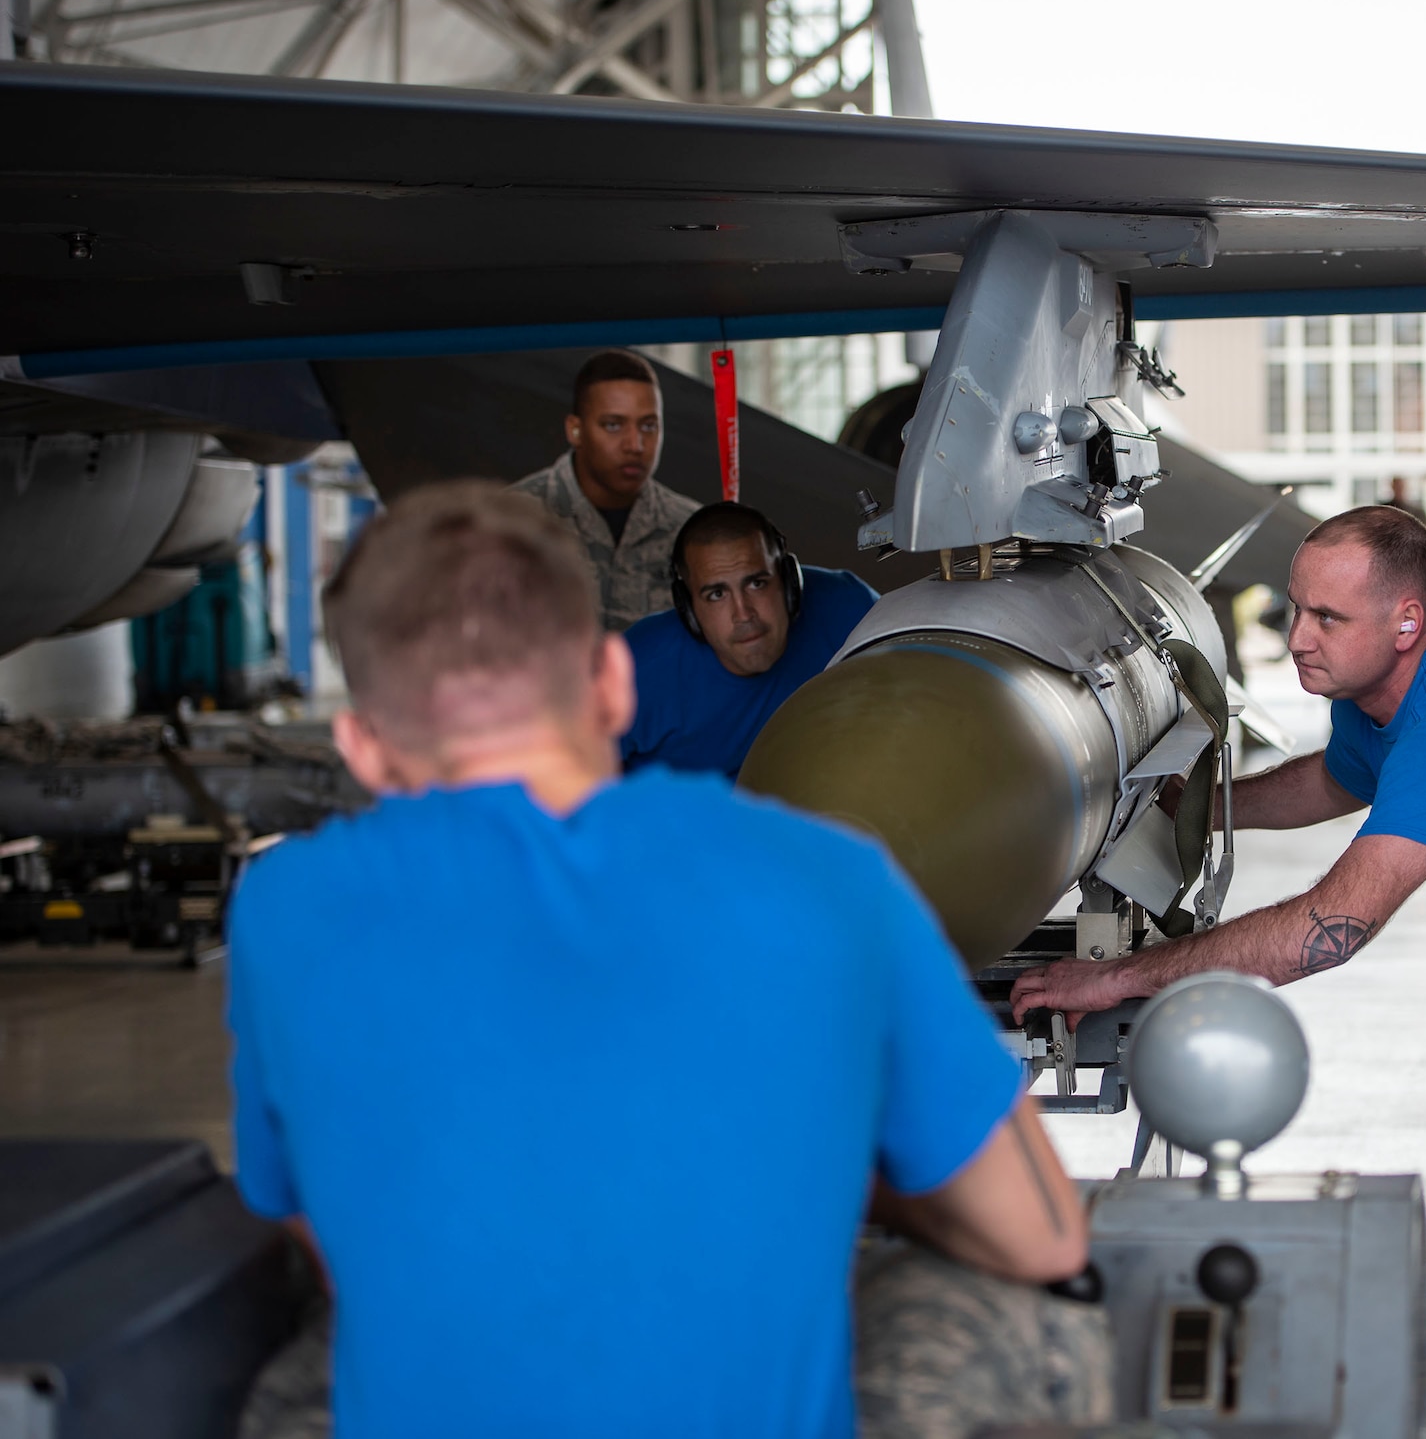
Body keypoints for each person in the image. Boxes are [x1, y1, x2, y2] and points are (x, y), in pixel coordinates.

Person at [226, 482, 1088, 1439]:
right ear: (611, 682)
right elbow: (1040, 1232)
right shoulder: (827, 874)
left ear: (363, 746)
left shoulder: (284, 908)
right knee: (1039, 1322)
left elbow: (313, 1219)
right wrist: (815, 1151)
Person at [1009, 506, 1426, 1022]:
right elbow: (1334, 781)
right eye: (1296, 610)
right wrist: (1192, 809)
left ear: (1406, 623)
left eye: (1328, 617)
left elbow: (1328, 930)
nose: (1297, 640)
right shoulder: (1374, 690)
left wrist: (1116, 978)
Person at [620, 502, 877, 779]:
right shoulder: (634, 670)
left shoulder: (848, 607)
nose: (743, 614)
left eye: (757, 584)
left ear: (790, 582)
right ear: (689, 610)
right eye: (717, 594)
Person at [511, 348, 700, 631]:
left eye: (649, 426)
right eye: (613, 425)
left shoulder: (691, 530)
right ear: (575, 430)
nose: (635, 445)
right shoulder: (513, 520)